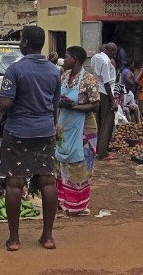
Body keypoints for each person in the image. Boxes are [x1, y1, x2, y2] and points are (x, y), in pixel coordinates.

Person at [0, 26, 61, 251]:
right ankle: (48, 237)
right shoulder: (54, 71)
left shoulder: (15, 70)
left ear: (25, 43)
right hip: (45, 131)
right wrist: (52, 127)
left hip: (18, 132)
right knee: (48, 180)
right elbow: (55, 105)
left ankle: (14, 239)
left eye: (21, 40)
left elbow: (6, 103)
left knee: (15, 182)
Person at [56, 46, 100, 216]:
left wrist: (74, 106)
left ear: (74, 59)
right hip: (65, 125)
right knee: (63, 163)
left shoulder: (89, 79)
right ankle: (64, 201)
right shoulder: (64, 76)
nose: (64, 59)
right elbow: (57, 99)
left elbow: (95, 106)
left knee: (80, 165)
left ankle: (77, 206)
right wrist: (61, 103)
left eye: (66, 57)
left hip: (84, 127)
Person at [91, 42, 118, 160]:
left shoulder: (95, 57)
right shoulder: (106, 62)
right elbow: (106, 82)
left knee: (99, 122)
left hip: (97, 92)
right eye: (113, 52)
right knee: (107, 123)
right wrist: (113, 101)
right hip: (106, 94)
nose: (114, 55)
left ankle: (97, 150)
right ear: (108, 49)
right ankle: (102, 153)